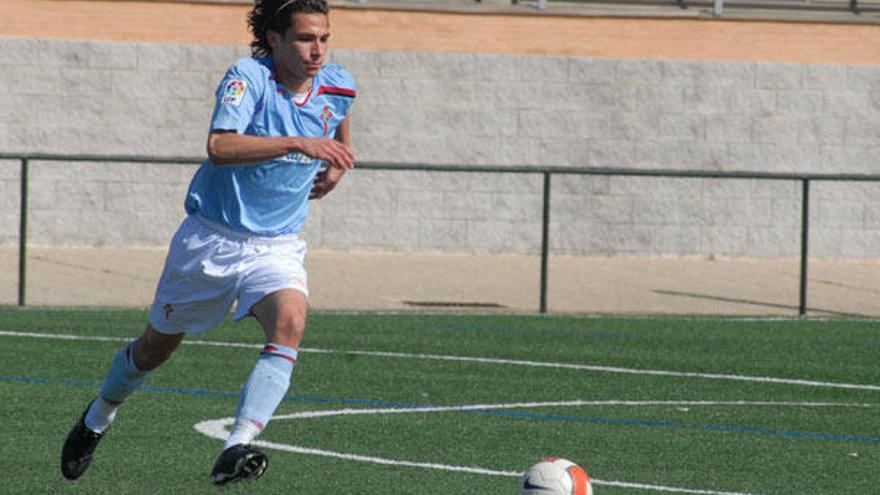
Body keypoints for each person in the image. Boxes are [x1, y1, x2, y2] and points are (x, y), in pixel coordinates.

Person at [60, 0, 356, 485]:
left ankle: (236, 446)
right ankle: (99, 414)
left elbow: (339, 123)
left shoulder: (339, 83)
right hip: (211, 240)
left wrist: (339, 161)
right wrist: (298, 143)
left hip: (278, 244)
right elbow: (220, 147)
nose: (317, 49)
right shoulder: (248, 77)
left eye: (324, 38)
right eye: (305, 38)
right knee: (156, 348)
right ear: (276, 38)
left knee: (291, 321)